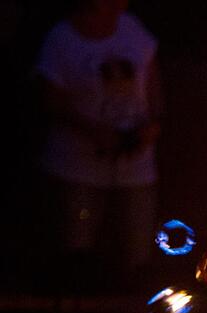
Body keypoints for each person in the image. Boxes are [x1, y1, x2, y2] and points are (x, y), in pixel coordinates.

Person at [36, 0, 162, 292]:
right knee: (75, 251)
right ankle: (75, 312)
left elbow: (153, 81)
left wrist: (154, 123)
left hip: (135, 166)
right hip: (78, 166)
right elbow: (49, 98)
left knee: (138, 249)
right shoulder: (63, 38)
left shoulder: (132, 28)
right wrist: (93, 131)